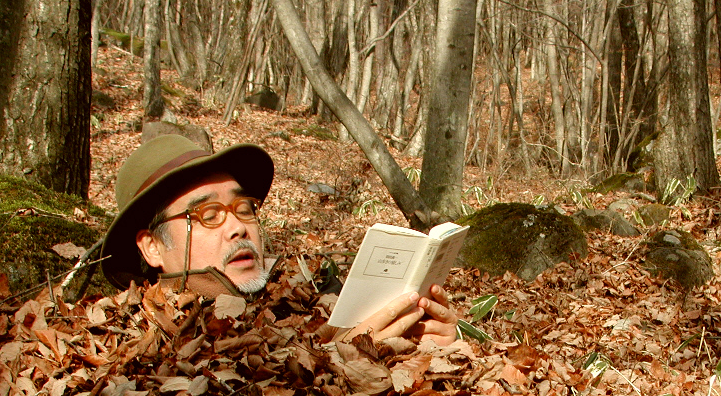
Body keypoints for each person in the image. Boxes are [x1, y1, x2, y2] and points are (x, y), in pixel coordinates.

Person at [101, 134, 459, 345]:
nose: (238, 228)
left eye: (244, 208)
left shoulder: (312, 289)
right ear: (152, 247)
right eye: (209, 215)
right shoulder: (142, 348)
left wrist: (432, 340)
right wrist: (341, 363)